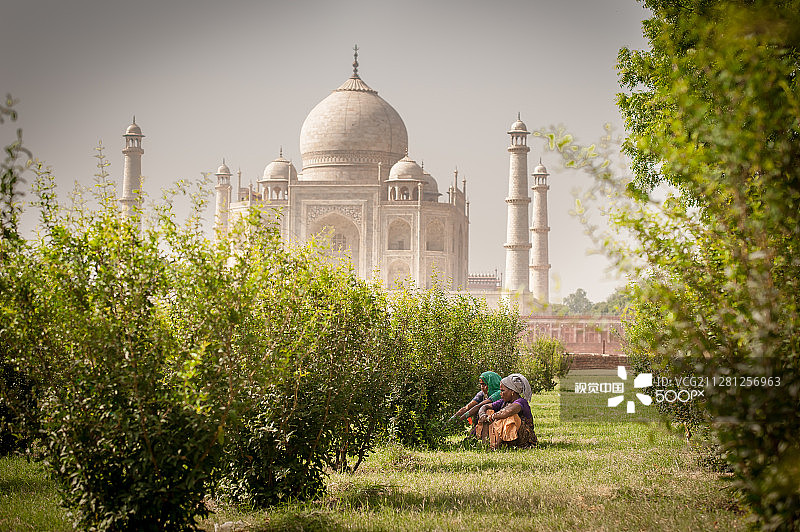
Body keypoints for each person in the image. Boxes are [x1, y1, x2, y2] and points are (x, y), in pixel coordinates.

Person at [477, 373, 537, 450]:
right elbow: (485, 406)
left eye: (502, 391)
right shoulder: (503, 401)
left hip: (523, 438)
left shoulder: (521, 402)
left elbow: (508, 411)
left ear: (512, 391)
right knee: (489, 411)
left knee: (508, 416)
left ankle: (496, 447)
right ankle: (487, 444)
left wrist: (491, 417)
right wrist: (483, 415)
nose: (500, 393)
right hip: (509, 437)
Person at [450, 371, 502, 436]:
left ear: (491, 383)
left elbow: (479, 406)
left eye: (484, 384)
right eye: (481, 384)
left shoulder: (499, 393)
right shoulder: (482, 394)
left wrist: (460, 419)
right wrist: (452, 420)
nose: (482, 387)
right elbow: (468, 407)